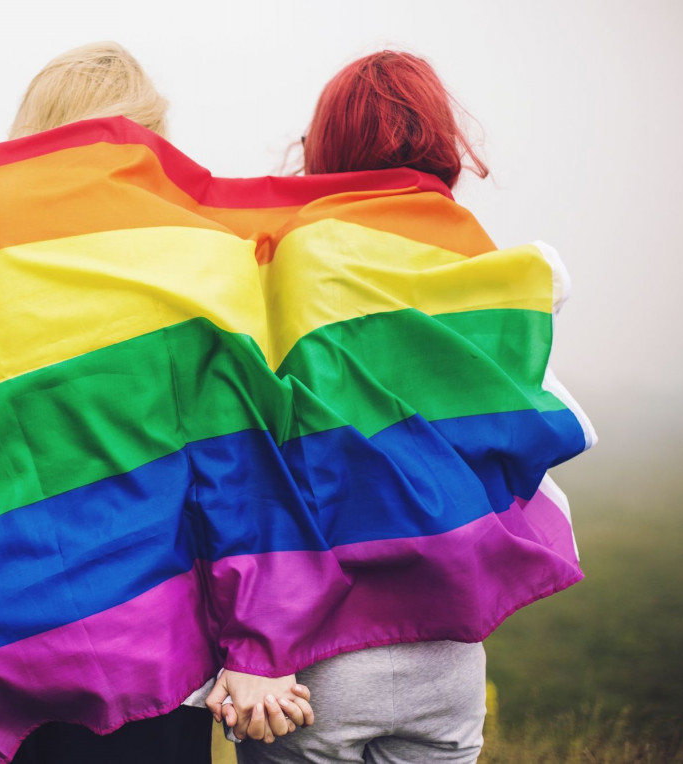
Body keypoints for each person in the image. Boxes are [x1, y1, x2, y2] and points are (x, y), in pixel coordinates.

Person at [0, 41, 312, 764]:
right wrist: (258, 638)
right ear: (142, 133)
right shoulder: (185, 244)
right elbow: (232, 461)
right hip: (137, 634)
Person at [228, 49, 590, 764]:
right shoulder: (476, 259)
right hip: (450, 653)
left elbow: (252, 459)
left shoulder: (288, 258)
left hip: (312, 655)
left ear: (327, 141)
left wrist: (247, 640)